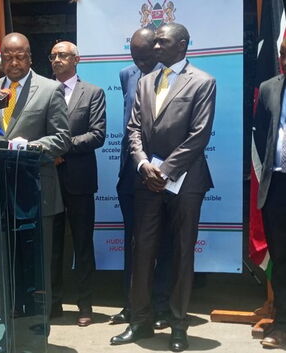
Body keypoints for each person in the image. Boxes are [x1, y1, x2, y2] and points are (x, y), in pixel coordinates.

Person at [114, 23, 216, 352]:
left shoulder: (202, 82)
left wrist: (167, 170)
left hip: (186, 182)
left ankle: (177, 325)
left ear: (183, 45)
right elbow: (132, 130)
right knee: (142, 251)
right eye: (154, 43)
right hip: (147, 180)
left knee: (183, 253)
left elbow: (199, 135)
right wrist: (144, 164)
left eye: (163, 42)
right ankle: (141, 322)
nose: (156, 48)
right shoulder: (145, 82)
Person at [0, 32, 71, 322]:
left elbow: (63, 138)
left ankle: (39, 319)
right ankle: (10, 308)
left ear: (30, 57)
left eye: (19, 55)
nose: (13, 61)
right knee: (6, 255)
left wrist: (32, 146)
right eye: (7, 56)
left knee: (38, 259)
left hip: (37, 189)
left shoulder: (50, 90)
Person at [110, 28, 172, 330]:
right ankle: (131, 304)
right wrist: (137, 163)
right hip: (131, 170)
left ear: (157, 51)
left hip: (163, 173)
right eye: (136, 59)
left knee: (162, 242)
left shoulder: (173, 76)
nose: (141, 65)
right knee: (132, 241)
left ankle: (160, 306)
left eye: (145, 59)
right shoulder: (126, 74)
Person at [49, 41, 106, 327]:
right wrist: (50, 152)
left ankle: (85, 305)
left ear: (76, 60)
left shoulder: (93, 93)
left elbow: (97, 135)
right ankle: (52, 302)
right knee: (52, 245)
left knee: (82, 245)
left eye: (63, 55)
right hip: (48, 179)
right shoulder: (44, 91)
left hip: (79, 181)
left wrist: (61, 148)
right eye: (53, 56)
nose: (57, 60)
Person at [254, 37, 286, 350]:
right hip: (277, 187)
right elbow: (260, 132)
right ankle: (282, 325)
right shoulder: (268, 88)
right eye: (284, 55)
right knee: (282, 259)